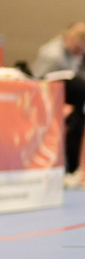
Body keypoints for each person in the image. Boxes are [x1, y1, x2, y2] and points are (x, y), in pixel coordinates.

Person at [31, 22, 85, 186]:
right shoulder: (52, 55)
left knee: (78, 120)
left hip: (71, 99)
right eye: (78, 49)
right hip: (46, 94)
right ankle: (73, 168)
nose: (79, 54)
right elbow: (38, 81)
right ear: (69, 38)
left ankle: (76, 169)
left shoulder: (77, 54)